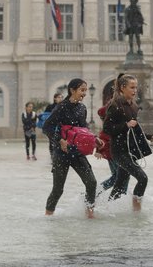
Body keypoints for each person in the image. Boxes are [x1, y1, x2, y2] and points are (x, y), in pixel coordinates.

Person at [42, 79, 103, 218]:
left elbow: (83, 129)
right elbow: (47, 127)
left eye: (86, 90)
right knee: (58, 189)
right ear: (72, 90)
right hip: (61, 154)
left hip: (77, 152)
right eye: (82, 90)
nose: (84, 93)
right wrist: (60, 140)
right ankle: (48, 215)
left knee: (91, 182)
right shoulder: (61, 107)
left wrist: (94, 139)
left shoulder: (82, 108)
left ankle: (89, 212)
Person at [103, 74, 148, 211]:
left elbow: (133, 128)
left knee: (120, 182)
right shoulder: (114, 105)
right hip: (119, 151)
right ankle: (136, 210)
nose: (135, 90)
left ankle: (108, 209)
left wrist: (147, 137)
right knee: (143, 178)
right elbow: (107, 128)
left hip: (129, 150)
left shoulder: (134, 105)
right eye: (132, 87)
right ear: (122, 88)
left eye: (136, 87)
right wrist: (126, 125)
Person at [95, 78, 131, 194]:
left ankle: (115, 197)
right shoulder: (114, 106)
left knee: (121, 176)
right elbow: (106, 130)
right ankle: (95, 192)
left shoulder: (122, 106)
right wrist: (99, 149)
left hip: (118, 148)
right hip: (113, 148)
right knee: (119, 176)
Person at [41, 93, 63, 160]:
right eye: (59, 97)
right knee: (51, 142)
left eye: (61, 97)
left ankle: (58, 156)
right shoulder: (50, 106)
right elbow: (45, 116)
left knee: (59, 142)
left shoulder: (63, 106)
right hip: (51, 127)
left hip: (60, 127)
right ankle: (52, 156)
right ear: (55, 98)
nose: (60, 98)